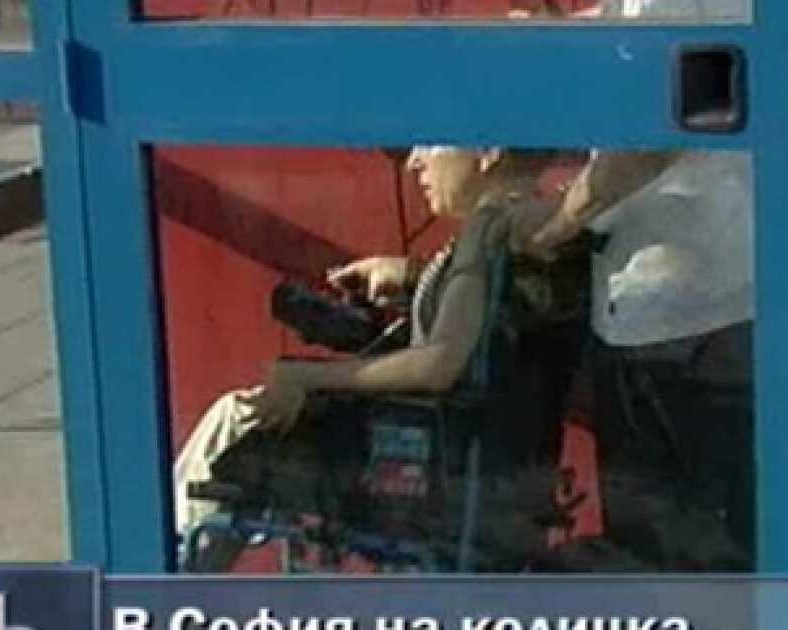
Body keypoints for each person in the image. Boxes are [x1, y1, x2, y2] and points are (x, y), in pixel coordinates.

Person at [172, 146, 567, 570]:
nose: (415, 162)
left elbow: (439, 363)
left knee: (239, 418)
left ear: (488, 153)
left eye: (430, 142)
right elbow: (491, 316)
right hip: (479, 457)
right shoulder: (534, 227)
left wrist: (304, 377)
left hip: (436, 459)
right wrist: (411, 275)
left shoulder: (488, 227)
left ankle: (164, 576)